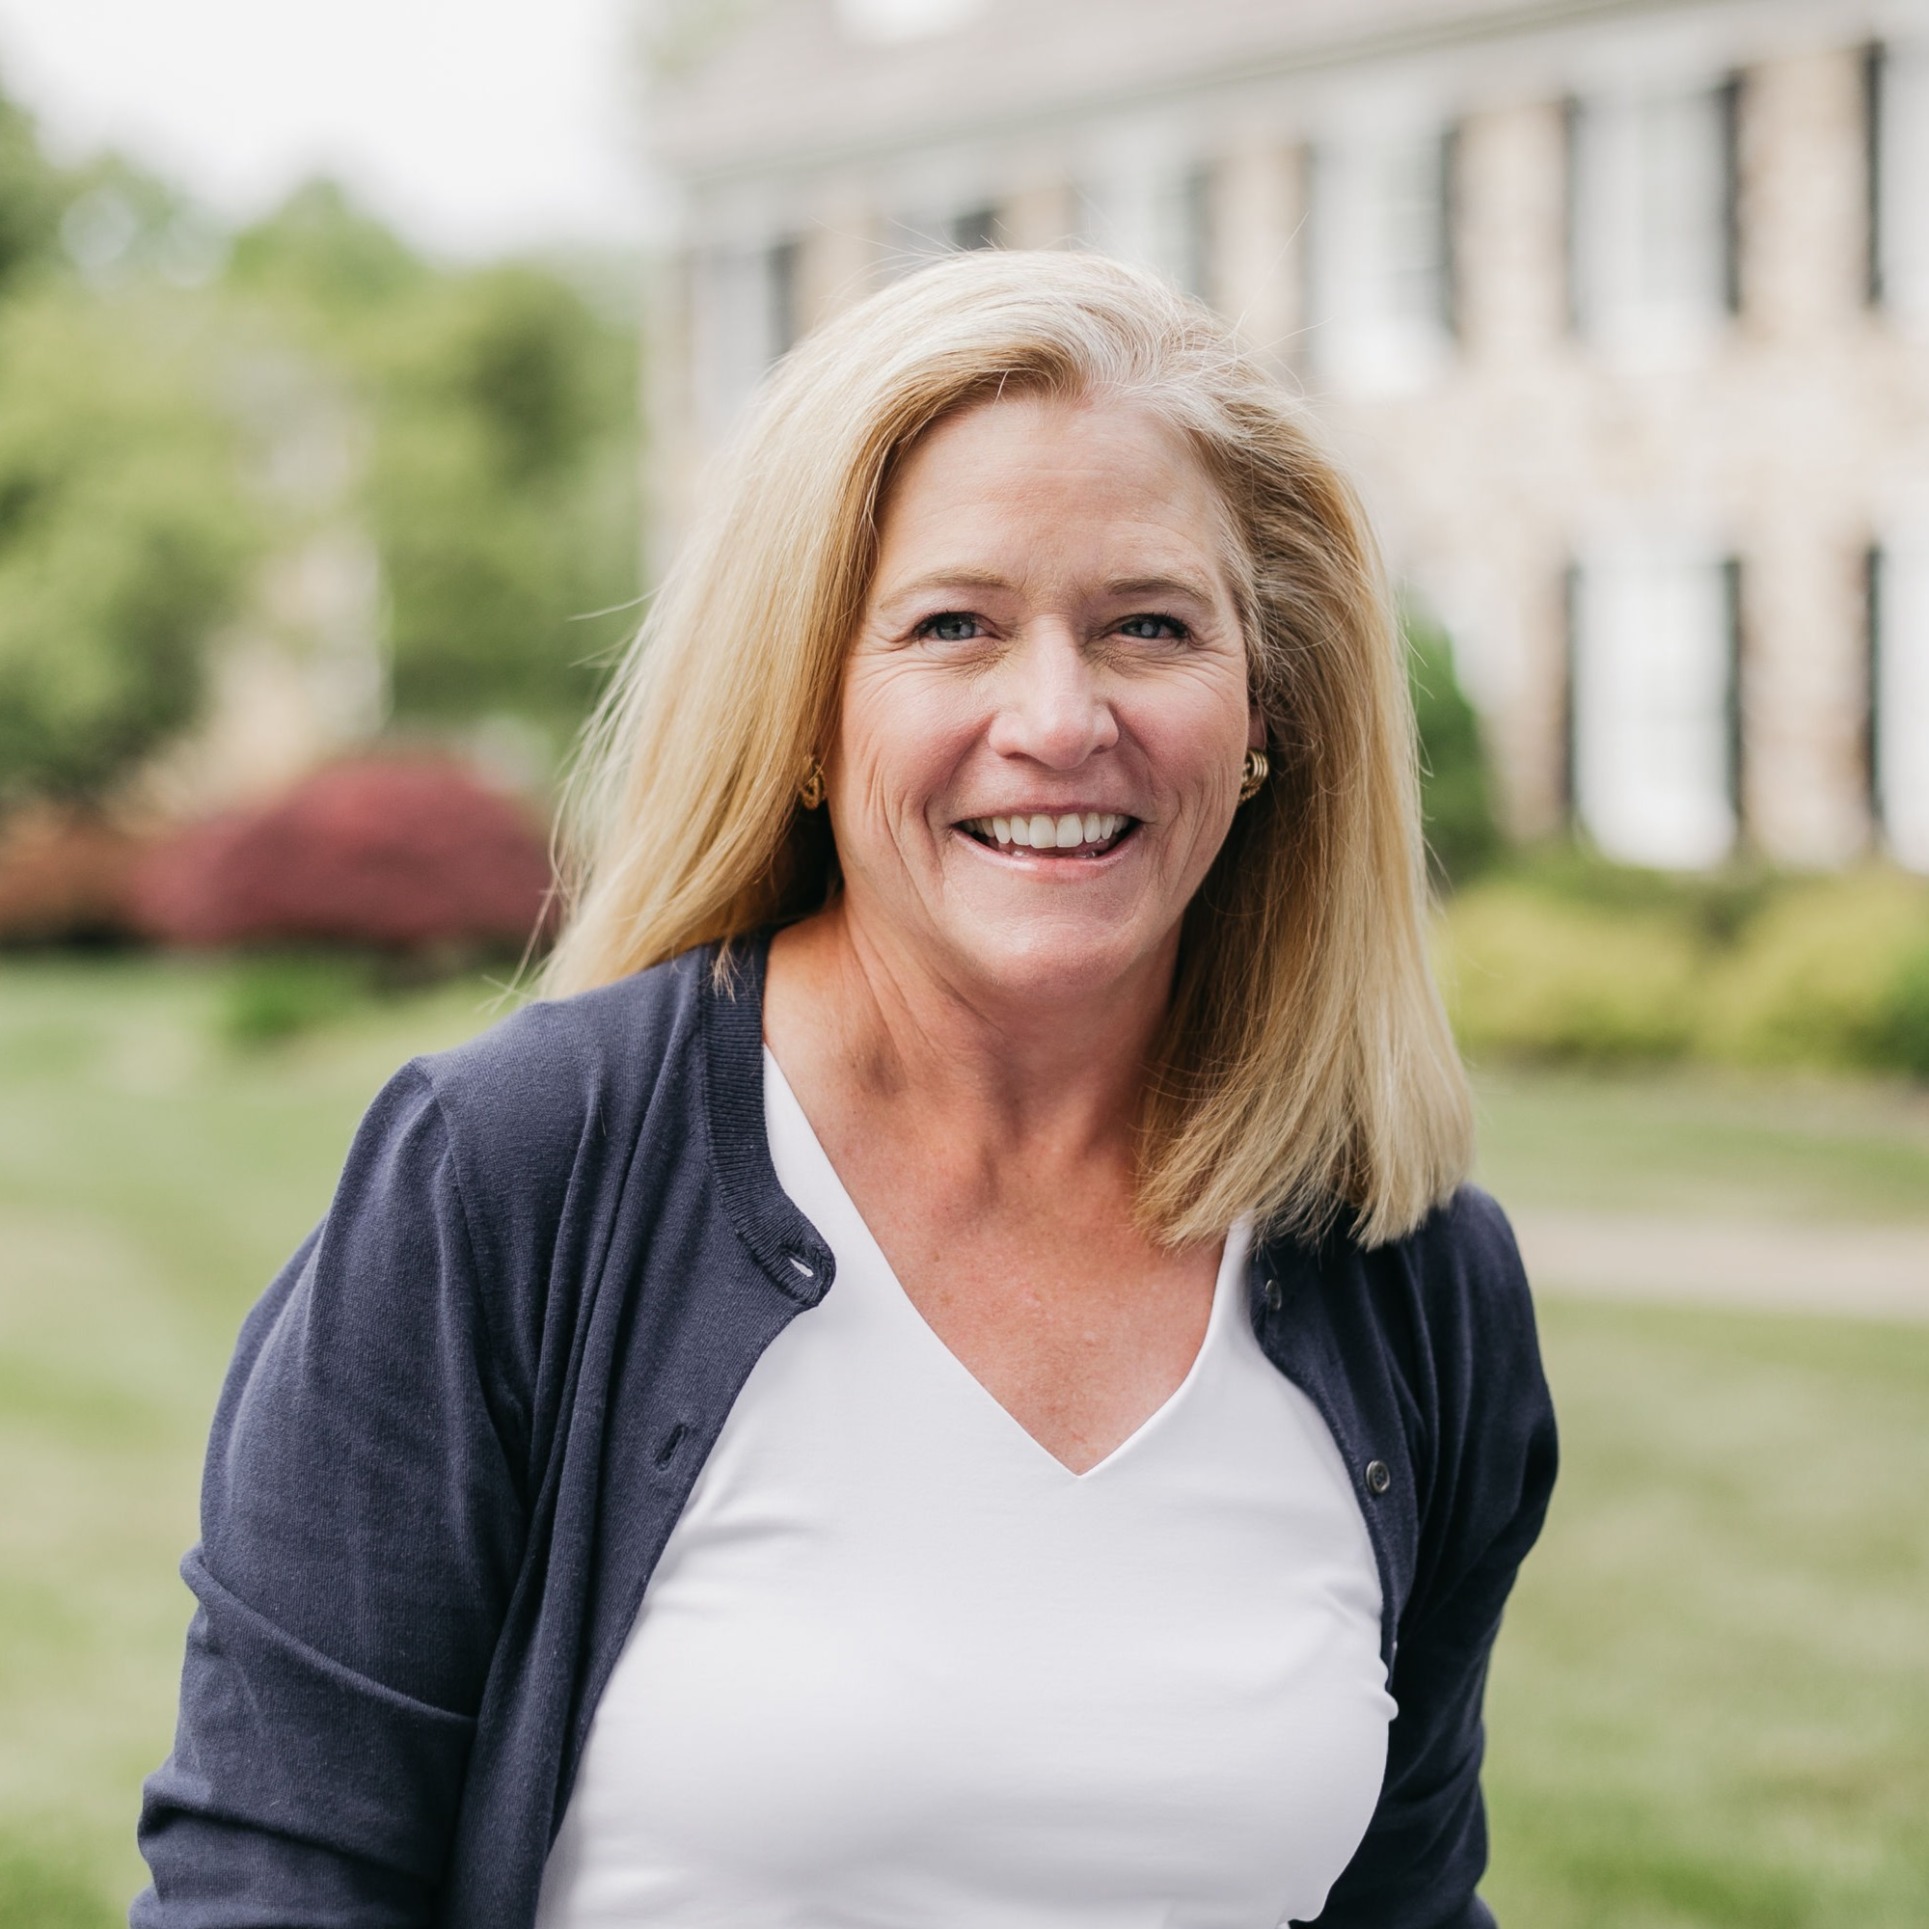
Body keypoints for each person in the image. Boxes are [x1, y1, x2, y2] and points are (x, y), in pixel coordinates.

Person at [135, 249, 1557, 1929]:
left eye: (1147, 626)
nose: (1056, 716)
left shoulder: (1407, 1276)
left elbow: (1405, 1901)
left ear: (1266, 711)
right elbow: (273, 1881)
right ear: (805, 704)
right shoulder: (509, 1178)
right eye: (953, 625)